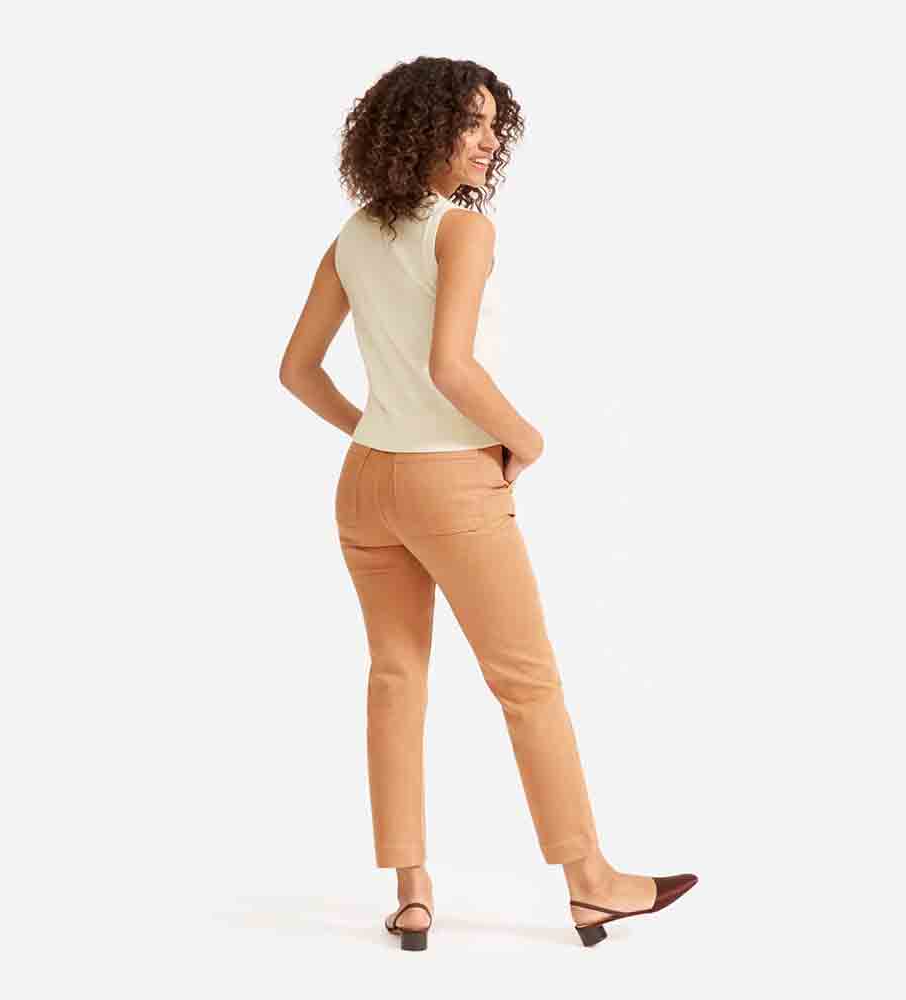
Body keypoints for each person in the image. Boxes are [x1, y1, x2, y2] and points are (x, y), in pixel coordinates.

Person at [279, 56, 697, 950]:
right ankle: (591, 883)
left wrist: (373, 428)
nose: (488, 139)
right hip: (452, 482)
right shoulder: (462, 230)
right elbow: (451, 368)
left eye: (492, 123)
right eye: (470, 122)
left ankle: (412, 892)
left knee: (395, 676)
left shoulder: (354, 234)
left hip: (367, 482)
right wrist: (527, 440)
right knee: (527, 683)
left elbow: (297, 370)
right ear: (423, 129)